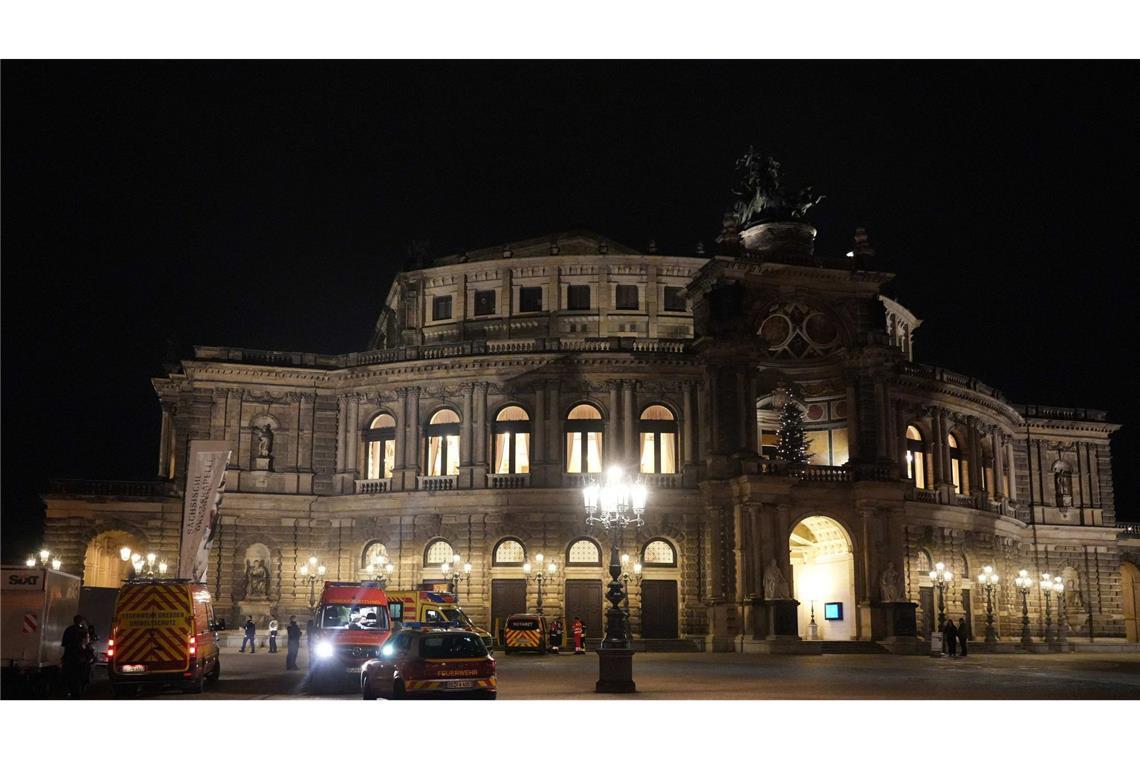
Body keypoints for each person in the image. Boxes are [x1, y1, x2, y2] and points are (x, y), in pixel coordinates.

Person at [60, 615, 90, 698]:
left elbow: (64, 644)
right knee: (78, 678)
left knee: (68, 678)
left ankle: (68, 692)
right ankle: (76, 695)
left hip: (68, 658)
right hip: (79, 660)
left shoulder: (68, 630)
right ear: (81, 621)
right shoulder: (83, 631)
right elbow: (86, 645)